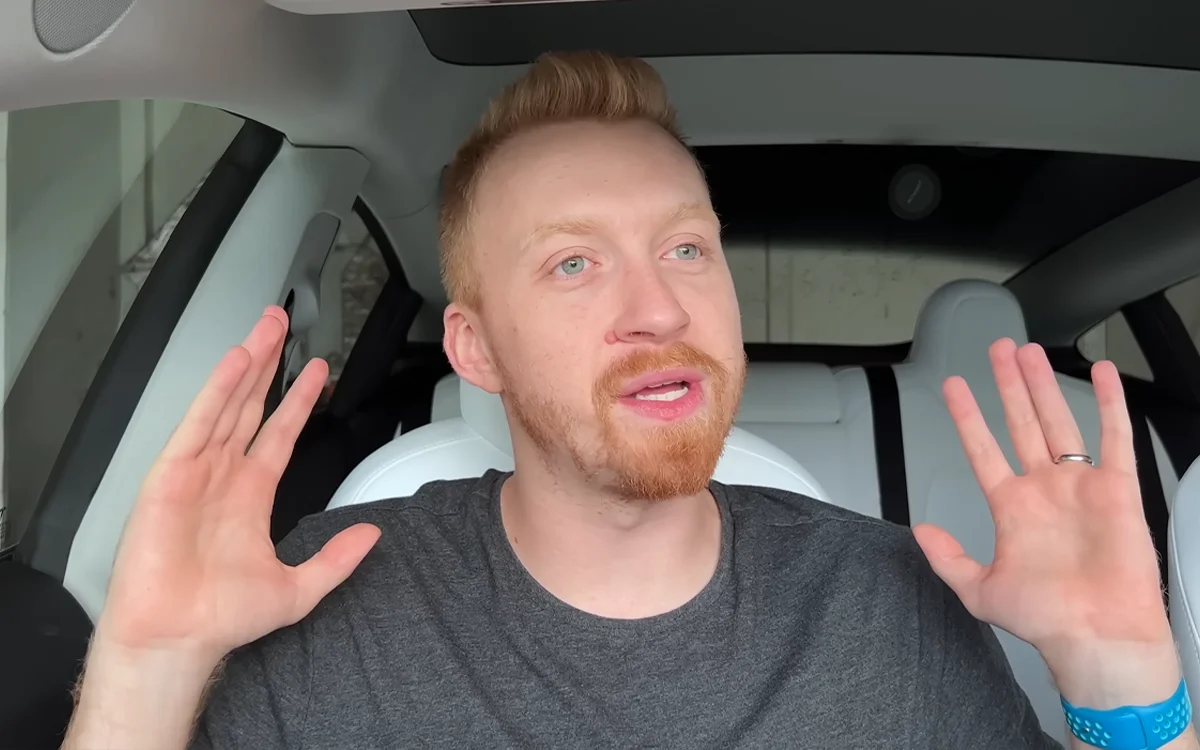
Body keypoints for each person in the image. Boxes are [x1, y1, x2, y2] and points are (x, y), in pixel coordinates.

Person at [63, 52, 1193, 750]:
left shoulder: (887, 601)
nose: (660, 308)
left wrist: (1121, 676)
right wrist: (145, 669)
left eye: (687, 248)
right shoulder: (329, 597)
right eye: (574, 264)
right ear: (476, 349)